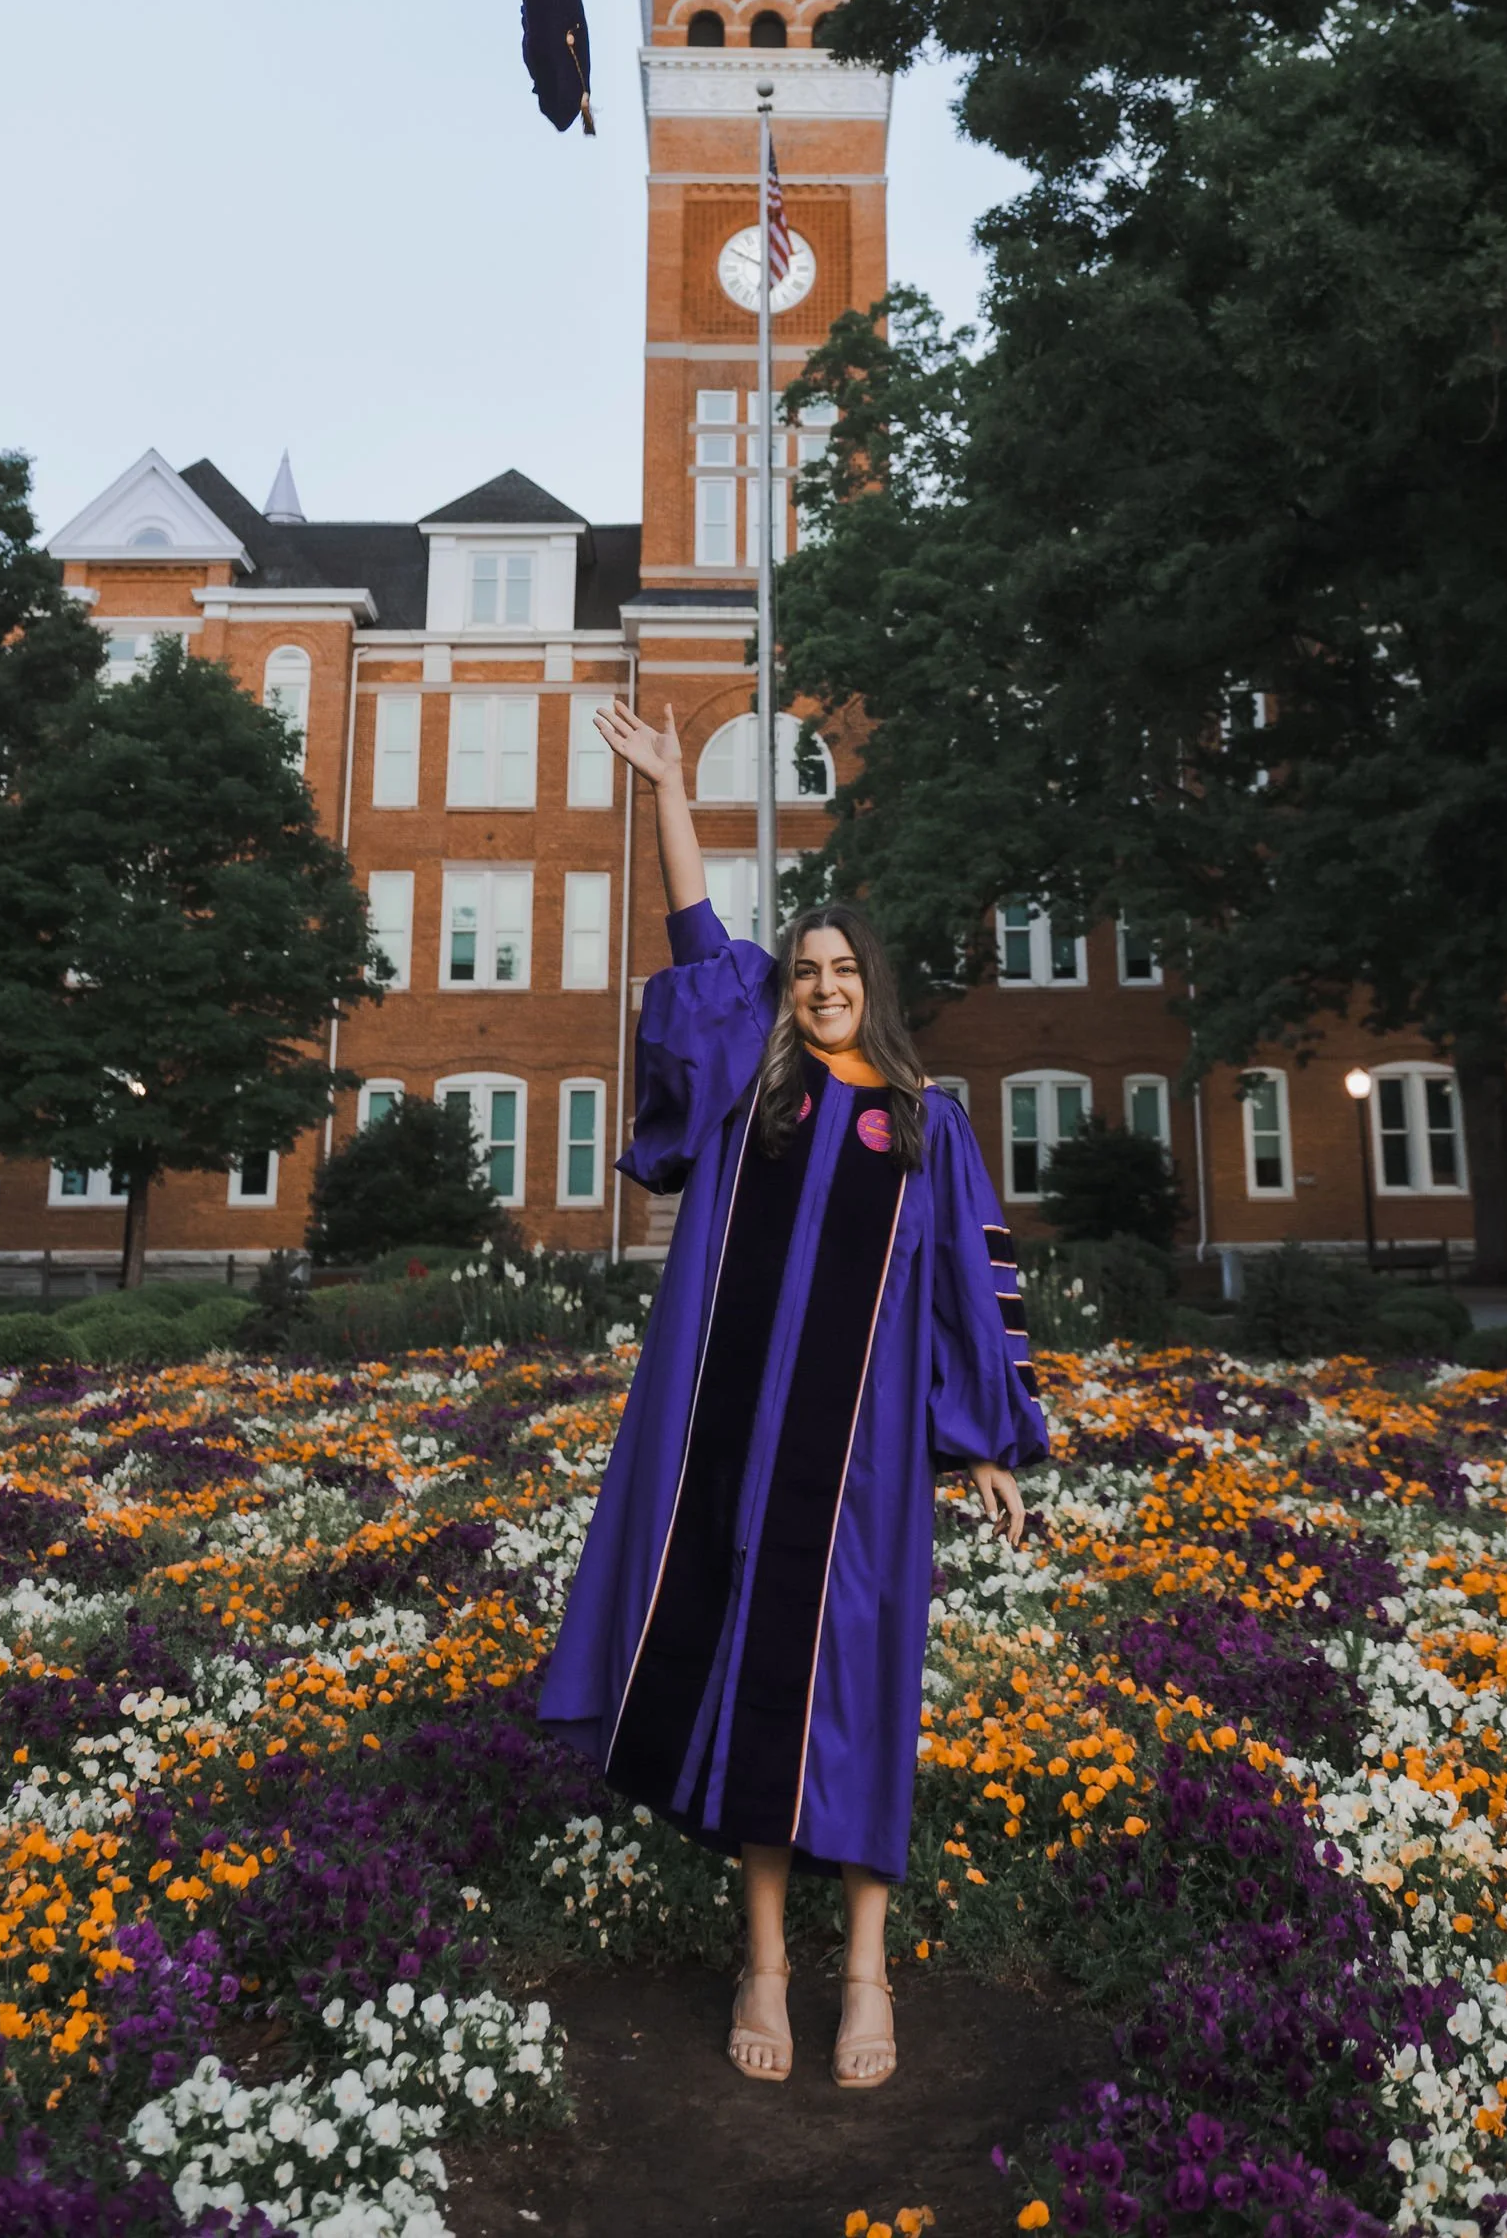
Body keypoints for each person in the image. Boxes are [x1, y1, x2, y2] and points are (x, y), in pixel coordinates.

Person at [536, 696, 1048, 2091]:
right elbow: (700, 947)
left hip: (868, 1466)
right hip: (741, 1452)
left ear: (870, 983)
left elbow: (967, 1293)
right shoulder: (753, 1097)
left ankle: (866, 1976)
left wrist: (992, 1445)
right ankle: (766, 1960)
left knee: (866, 1688)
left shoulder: (926, 1124)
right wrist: (666, 796)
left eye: (840, 966)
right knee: (756, 1683)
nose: (821, 981)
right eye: (806, 965)